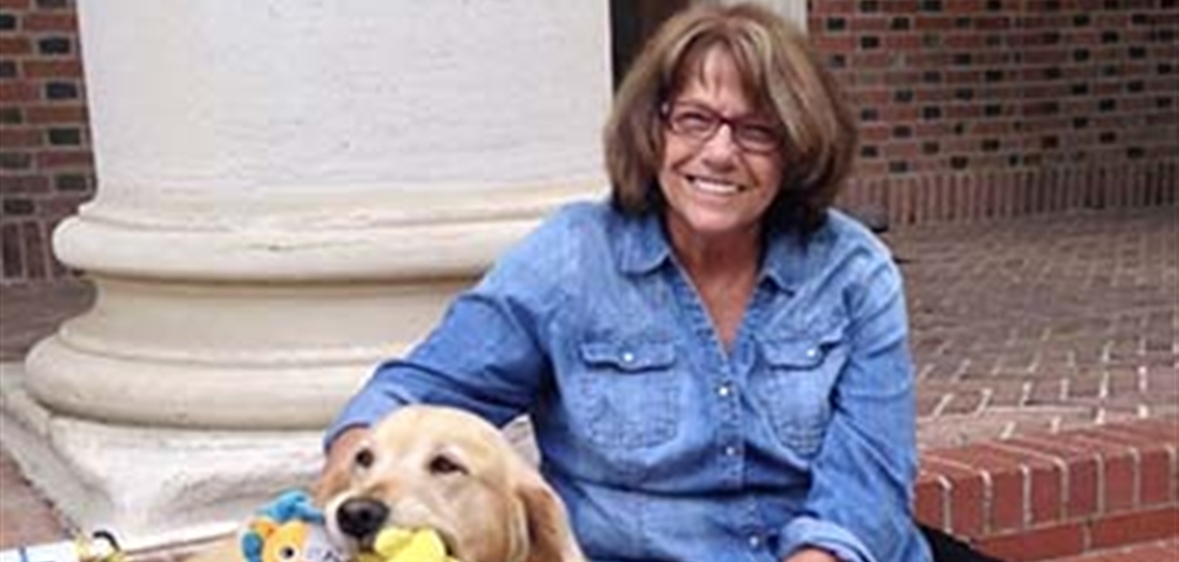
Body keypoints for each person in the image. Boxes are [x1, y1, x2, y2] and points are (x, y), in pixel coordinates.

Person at [321, 4, 999, 562]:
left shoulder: (852, 273)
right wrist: (354, 496)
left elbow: (870, 479)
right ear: (653, 128)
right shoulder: (570, 260)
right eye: (694, 119)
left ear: (797, 145)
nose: (719, 152)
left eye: (756, 130)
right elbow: (411, 392)